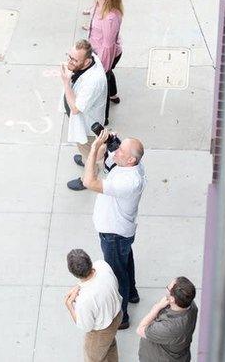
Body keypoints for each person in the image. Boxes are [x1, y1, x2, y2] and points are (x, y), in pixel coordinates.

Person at [81, 127, 147, 329]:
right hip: (121, 232)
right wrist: (109, 143)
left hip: (113, 234)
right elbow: (107, 160)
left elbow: (88, 181)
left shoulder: (129, 181)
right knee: (126, 262)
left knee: (117, 275)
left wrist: (93, 148)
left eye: (120, 151)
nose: (116, 152)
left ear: (130, 160)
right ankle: (133, 293)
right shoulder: (130, 165)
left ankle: (123, 317)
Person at [61, 39, 107, 191]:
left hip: (87, 126)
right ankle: (85, 159)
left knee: (89, 150)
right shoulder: (91, 59)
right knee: (83, 148)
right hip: (83, 120)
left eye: (75, 60)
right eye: (70, 57)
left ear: (87, 61)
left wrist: (66, 82)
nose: (70, 62)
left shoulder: (94, 81)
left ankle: (88, 175)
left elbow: (75, 108)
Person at [64, 249, 124, 361]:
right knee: (110, 345)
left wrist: (69, 306)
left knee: (93, 358)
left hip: (101, 331)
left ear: (73, 273)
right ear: (89, 261)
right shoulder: (103, 266)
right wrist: (80, 285)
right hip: (117, 316)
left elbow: (86, 326)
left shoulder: (84, 300)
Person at [83, 0, 124, 126]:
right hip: (98, 50)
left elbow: (108, 46)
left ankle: (103, 117)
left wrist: (102, 68)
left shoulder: (110, 18)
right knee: (108, 76)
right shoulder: (98, 4)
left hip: (105, 55)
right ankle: (114, 95)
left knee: (102, 86)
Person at [136, 277, 199, 362]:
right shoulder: (190, 305)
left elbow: (140, 330)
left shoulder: (169, 327)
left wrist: (156, 308)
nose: (166, 290)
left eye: (168, 288)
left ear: (172, 299)